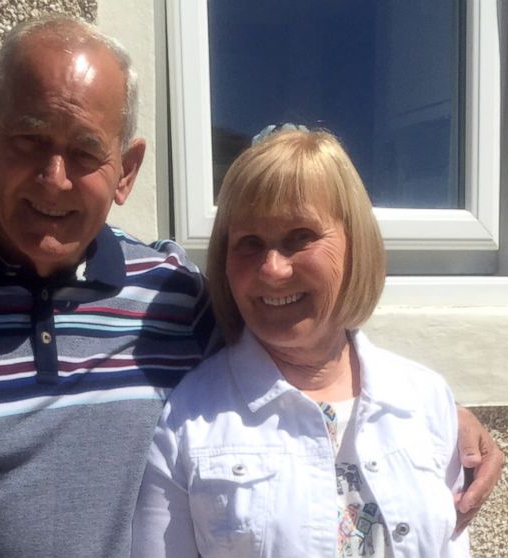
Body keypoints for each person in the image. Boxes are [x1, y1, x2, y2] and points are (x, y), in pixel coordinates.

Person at [0, 16, 500, 558]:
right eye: (28, 141)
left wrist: (436, 412)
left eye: (85, 151)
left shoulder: (173, 299)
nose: (53, 179)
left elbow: (301, 358)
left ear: (126, 170)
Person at [132, 127, 473, 557]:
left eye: (300, 237)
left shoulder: (425, 401)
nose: (273, 269)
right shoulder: (189, 420)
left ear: (355, 244)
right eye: (250, 243)